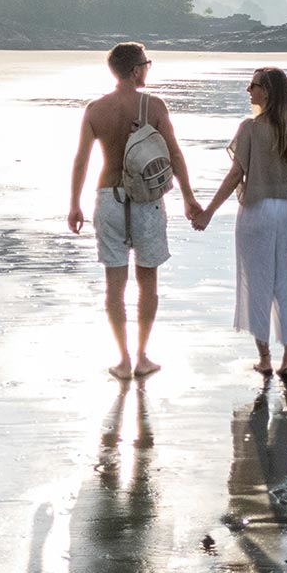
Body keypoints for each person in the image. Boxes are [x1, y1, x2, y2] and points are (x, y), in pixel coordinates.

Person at [68, 42, 202, 380]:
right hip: (146, 202)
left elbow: (81, 160)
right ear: (135, 70)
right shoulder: (153, 106)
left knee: (114, 285)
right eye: (146, 64)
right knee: (147, 282)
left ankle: (124, 360)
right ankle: (142, 355)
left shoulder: (96, 109)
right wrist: (188, 197)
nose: (148, 69)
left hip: (108, 198)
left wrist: (74, 203)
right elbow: (174, 154)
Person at [193, 67, 287, 376]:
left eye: (254, 85)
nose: (248, 91)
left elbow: (235, 176)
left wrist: (208, 212)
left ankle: (265, 359)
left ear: (267, 92)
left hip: (257, 212)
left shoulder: (250, 129)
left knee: (256, 283)